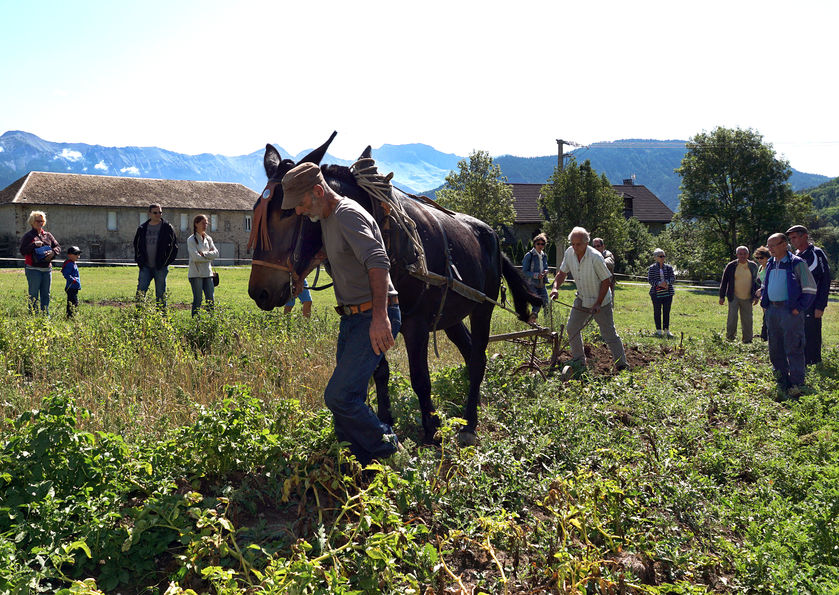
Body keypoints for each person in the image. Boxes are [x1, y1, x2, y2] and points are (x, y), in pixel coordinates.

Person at [281, 162, 402, 466]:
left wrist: (379, 318)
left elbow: (378, 261)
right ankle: (355, 462)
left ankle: (390, 450)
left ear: (319, 191)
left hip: (371, 316)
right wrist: (301, 277)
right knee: (350, 398)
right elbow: (327, 253)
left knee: (339, 396)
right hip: (352, 318)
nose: (298, 211)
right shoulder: (326, 215)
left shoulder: (348, 214)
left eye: (300, 204)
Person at [549, 226, 628, 371]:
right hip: (582, 298)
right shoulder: (569, 253)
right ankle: (579, 361)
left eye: (578, 244)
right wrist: (555, 288)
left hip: (601, 301)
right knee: (572, 327)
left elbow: (606, 281)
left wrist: (598, 303)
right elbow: (562, 273)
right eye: (572, 243)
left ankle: (622, 365)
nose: (574, 247)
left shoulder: (595, 257)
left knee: (609, 333)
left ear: (586, 243)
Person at [761, 233, 817, 397]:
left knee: (794, 347)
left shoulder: (797, 263)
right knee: (775, 347)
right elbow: (766, 283)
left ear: (784, 244)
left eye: (773, 245)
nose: (769, 249)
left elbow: (810, 288)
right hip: (772, 311)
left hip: (789, 312)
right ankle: (781, 379)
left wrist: (798, 308)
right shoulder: (771, 262)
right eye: (768, 245)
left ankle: (797, 384)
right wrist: (764, 298)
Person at [786, 225, 832, 365]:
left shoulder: (817, 253)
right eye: (790, 238)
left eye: (794, 237)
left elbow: (825, 279)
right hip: (798, 303)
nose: (792, 241)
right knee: (798, 332)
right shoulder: (796, 255)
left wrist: (820, 305)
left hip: (813, 303)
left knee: (812, 333)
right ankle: (801, 360)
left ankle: (813, 362)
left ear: (804, 236)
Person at [133, 203, 178, 308]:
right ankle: (138, 317)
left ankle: (162, 318)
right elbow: (137, 246)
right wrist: (140, 262)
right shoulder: (142, 228)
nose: (158, 214)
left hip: (161, 267)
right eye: (155, 212)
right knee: (141, 292)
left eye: (160, 212)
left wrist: (165, 263)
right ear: (149, 214)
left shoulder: (167, 228)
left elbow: (173, 247)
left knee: (161, 294)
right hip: (145, 267)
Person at [19, 210, 61, 314]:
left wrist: (53, 253)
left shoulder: (48, 235)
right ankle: (33, 316)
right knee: (33, 295)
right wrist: (33, 245)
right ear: (32, 222)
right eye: (38, 221)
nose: (40, 223)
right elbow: (22, 251)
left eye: (42, 221)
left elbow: (58, 247)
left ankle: (45, 317)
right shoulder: (28, 236)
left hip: (47, 269)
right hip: (33, 269)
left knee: (46, 294)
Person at [718, 246, 760, 343]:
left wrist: (757, 296)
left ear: (748, 255)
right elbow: (724, 281)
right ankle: (730, 338)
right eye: (740, 254)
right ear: (737, 255)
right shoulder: (731, 265)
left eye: (745, 253)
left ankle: (748, 339)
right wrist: (722, 296)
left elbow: (757, 281)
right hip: (734, 296)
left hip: (748, 296)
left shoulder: (753, 266)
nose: (743, 256)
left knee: (747, 319)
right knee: (732, 318)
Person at [187, 214, 219, 316]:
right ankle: (195, 324)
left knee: (211, 300)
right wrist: (209, 256)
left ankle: (211, 323)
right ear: (196, 224)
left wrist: (204, 254)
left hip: (208, 274)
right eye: (203, 223)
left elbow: (216, 254)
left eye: (206, 223)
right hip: (195, 274)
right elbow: (196, 257)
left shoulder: (209, 239)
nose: (205, 225)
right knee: (198, 300)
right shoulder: (191, 240)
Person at [647, 248, 675, 338]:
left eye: (664, 256)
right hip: (656, 293)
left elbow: (673, 278)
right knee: (657, 311)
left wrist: (667, 282)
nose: (663, 258)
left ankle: (666, 330)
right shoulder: (652, 268)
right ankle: (658, 330)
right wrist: (659, 284)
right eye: (661, 256)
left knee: (667, 312)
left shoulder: (669, 267)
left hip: (668, 293)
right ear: (655, 257)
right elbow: (650, 280)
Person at [521, 233, 549, 323]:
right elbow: (524, 272)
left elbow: (545, 267)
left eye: (542, 244)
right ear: (534, 244)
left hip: (542, 283)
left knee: (546, 304)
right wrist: (536, 275)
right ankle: (532, 323)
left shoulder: (544, 256)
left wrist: (546, 271)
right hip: (531, 284)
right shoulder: (529, 255)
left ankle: (548, 323)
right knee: (536, 305)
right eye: (538, 244)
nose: (540, 246)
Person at [753, 246, 772, 341]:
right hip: (763, 295)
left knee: (768, 316)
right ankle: (765, 335)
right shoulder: (760, 267)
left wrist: (762, 289)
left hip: (770, 294)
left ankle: (766, 336)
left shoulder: (770, 266)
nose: (759, 260)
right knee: (765, 316)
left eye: (761, 258)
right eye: (757, 258)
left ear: (767, 257)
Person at [62, 246, 82, 318]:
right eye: (76, 254)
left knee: (74, 301)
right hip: (71, 287)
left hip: (74, 286)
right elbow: (65, 273)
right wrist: (73, 280)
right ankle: (71, 316)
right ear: (69, 255)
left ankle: (72, 315)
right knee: (72, 302)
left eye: (79, 254)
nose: (78, 256)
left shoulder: (73, 263)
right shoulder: (69, 264)